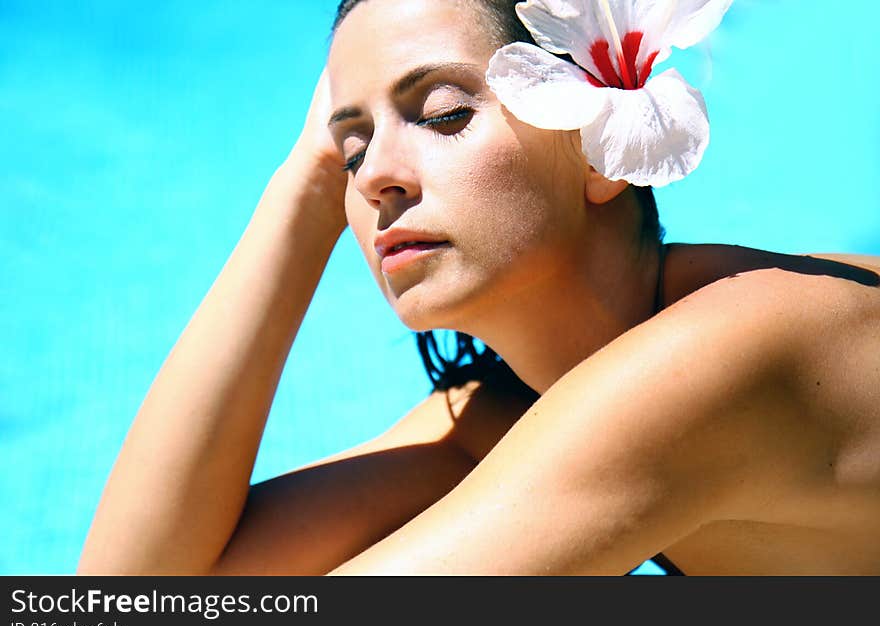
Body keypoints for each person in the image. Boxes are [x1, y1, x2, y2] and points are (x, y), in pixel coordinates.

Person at [77, 0, 880, 576]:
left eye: (442, 112)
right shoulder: (502, 418)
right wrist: (301, 186)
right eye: (354, 152)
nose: (377, 180)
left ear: (598, 151)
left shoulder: (722, 354)